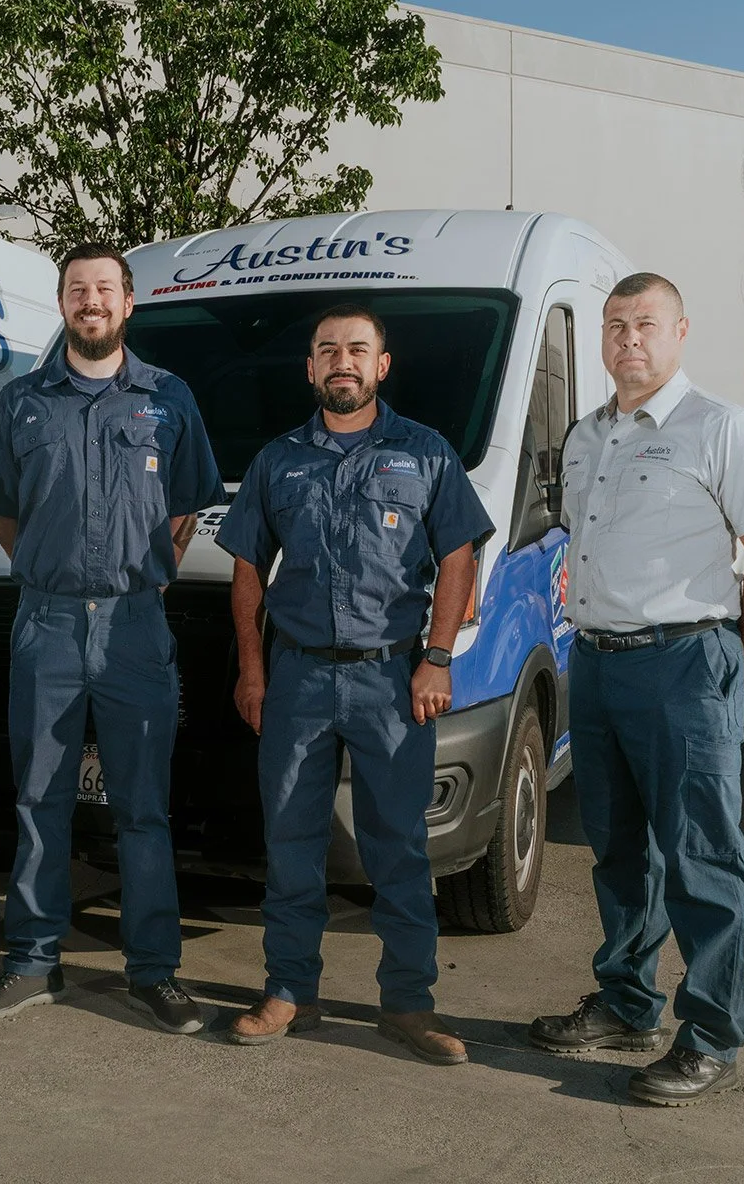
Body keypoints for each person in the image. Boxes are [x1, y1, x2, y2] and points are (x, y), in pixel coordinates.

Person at [528, 272, 744, 1106]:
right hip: (601, 665)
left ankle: (713, 1035)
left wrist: (737, 652)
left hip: (686, 662)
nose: (627, 340)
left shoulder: (725, 429)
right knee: (618, 849)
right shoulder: (585, 438)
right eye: (614, 326)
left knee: (701, 856)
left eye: (645, 324)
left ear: (681, 332)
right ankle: (627, 1002)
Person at [216, 303, 493, 1064]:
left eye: (357, 349)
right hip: (298, 678)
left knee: (399, 847)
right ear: (309, 369)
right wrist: (252, 667)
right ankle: (289, 990)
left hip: (393, 681)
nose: (342, 360)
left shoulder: (427, 454)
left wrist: (437, 656)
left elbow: (460, 557)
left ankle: (408, 1003)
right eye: (327, 350)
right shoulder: (279, 461)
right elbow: (247, 568)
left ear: (381, 365)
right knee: (291, 842)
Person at [0, 243, 226, 1034]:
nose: (92, 302)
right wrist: (56, 575)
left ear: (127, 303)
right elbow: (4, 512)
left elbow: (185, 514)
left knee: (143, 807)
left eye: (105, 289)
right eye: (79, 290)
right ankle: (32, 961)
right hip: (44, 622)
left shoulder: (169, 398)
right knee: (40, 797)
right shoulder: (22, 403)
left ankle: (155, 972)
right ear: (64, 302)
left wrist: (128, 582)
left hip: (136, 625)